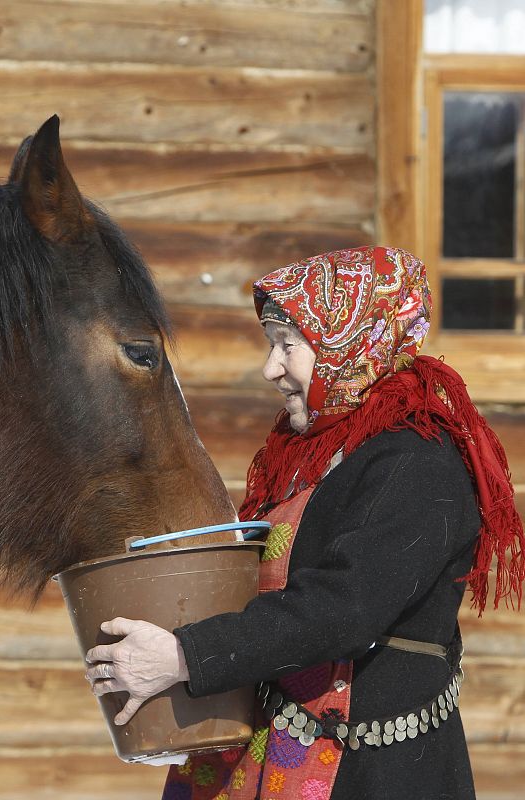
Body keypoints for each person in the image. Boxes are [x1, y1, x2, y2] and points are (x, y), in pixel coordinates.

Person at [85, 245, 524, 800]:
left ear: (349, 343)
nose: (271, 368)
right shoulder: (308, 456)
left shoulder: (417, 461)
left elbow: (346, 608)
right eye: (271, 344)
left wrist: (183, 657)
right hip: (260, 756)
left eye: (287, 345)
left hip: (369, 776)